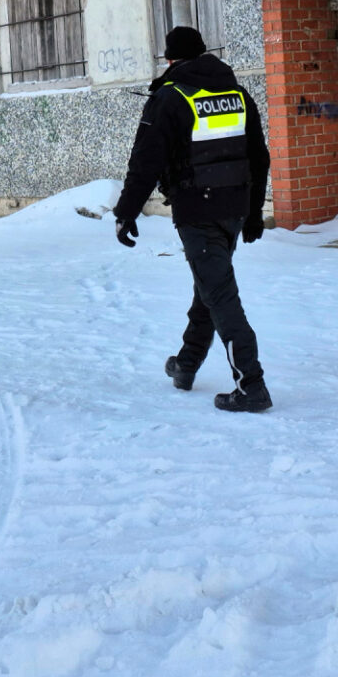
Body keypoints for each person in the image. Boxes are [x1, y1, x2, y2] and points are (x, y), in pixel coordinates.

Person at [113, 27, 274, 413]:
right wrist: (252, 213)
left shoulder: (170, 97)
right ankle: (186, 365)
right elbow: (259, 157)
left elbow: (145, 163)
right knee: (210, 288)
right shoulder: (237, 94)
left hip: (197, 211)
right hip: (233, 209)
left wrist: (126, 212)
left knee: (220, 297)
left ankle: (251, 385)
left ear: (170, 60)